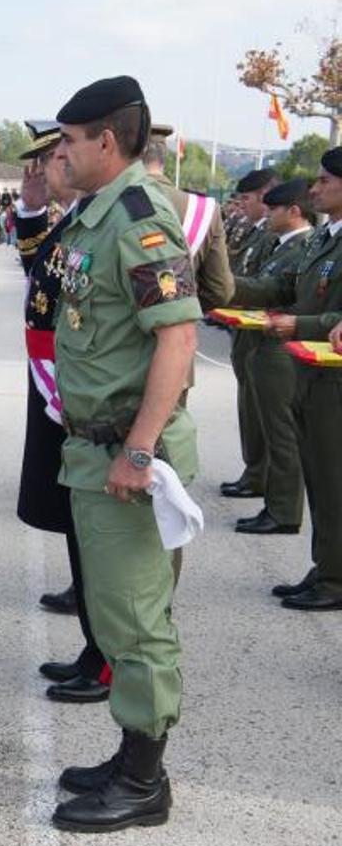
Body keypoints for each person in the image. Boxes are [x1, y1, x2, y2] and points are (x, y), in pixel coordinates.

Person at [48, 77, 200, 832]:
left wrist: (137, 454)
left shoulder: (137, 218)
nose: (59, 153)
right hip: (93, 449)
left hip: (125, 459)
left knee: (136, 622)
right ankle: (130, 754)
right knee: (112, 614)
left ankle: (144, 781)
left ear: (105, 140)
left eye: (68, 140)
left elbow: (175, 336)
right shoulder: (93, 217)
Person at [12, 123, 109, 704]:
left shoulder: (105, 221)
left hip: (85, 392)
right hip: (60, 386)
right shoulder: (75, 220)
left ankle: (106, 659)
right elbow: (42, 279)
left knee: (97, 535)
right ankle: (94, 650)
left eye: (55, 153)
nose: (49, 165)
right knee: (77, 525)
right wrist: (30, 211)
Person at [266, 148, 342, 610]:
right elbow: (301, 296)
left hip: (333, 379)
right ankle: (325, 566)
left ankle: (335, 580)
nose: (314, 189)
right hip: (308, 372)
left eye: (323, 181)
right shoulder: (325, 238)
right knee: (319, 477)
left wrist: (302, 326)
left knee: (334, 482)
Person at [226, 179, 314, 538]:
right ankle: (274, 504)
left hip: (282, 345)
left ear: (293, 212)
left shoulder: (303, 246)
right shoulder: (283, 246)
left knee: (281, 433)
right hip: (263, 339)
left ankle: (283, 511)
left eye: (275, 208)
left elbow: (278, 292)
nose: (268, 212)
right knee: (263, 423)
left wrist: (224, 283)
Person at [221, 168, 278, 501]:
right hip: (244, 328)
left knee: (260, 412)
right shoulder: (258, 233)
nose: (241, 205)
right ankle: (253, 472)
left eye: (247, 199)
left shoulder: (272, 236)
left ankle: (261, 475)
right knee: (248, 407)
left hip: (262, 332)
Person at [142, 126, 233, 312]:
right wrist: (180, 308)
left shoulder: (107, 202)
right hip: (178, 331)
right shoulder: (205, 210)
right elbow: (220, 291)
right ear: (163, 157)